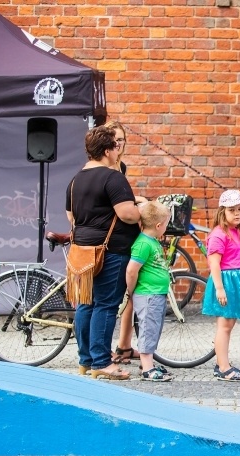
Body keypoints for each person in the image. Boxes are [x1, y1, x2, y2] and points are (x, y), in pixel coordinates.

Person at [66, 125, 141, 380]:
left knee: (87, 304)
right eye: (115, 146)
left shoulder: (76, 180)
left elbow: (71, 216)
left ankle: (86, 360)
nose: (117, 150)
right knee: (106, 306)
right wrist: (143, 208)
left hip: (83, 251)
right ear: (108, 150)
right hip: (111, 250)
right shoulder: (112, 177)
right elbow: (126, 213)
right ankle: (101, 362)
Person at [202, 190, 240, 382]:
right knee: (224, 326)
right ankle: (223, 367)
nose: (237, 213)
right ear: (223, 212)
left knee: (228, 325)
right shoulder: (219, 234)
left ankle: (221, 362)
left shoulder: (236, 231)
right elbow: (214, 263)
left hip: (237, 281)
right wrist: (220, 288)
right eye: (232, 210)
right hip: (226, 282)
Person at [105, 119, 143, 366]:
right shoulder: (104, 168)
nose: (118, 145)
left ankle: (124, 345)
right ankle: (103, 350)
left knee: (130, 292)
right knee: (108, 300)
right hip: (110, 238)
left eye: (122, 140)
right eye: (114, 140)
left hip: (125, 235)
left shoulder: (121, 167)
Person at [123, 201, 174, 382]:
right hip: (148, 294)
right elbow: (131, 270)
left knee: (154, 328)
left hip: (156, 293)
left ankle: (148, 363)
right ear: (158, 225)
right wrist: (130, 290)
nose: (166, 228)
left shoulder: (152, 242)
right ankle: (147, 369)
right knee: (148, 328)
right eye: (166, 224)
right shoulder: (143, 244)